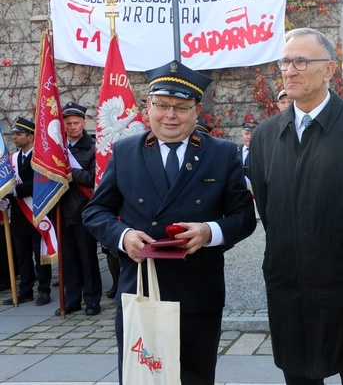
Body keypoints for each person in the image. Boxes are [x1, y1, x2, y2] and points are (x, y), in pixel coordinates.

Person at [83, 59, 256, 385]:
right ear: (147, 108)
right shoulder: (125, 152)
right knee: (140, 378)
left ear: (197, 109)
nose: (170, 115)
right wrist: (124, 236)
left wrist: (209, 232)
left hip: (197, 291)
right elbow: (95, 212)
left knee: (195, 378)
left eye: (181, 107)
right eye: (161, 105)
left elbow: (244, 217)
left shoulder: (222, 154)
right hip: (142, 288)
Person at [250, 27, 343, 385]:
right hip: (291, 294)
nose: (291, 70)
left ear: (329, 70)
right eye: (285, 61)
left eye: (302, 61)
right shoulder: (266, 136)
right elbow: (271, 213)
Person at [57, 102, 103, 316]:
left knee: (88, 259)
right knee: (69, 261)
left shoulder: (93, 147)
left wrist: (67, 170)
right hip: (61, 210)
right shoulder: (57, 148)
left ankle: (92, 300)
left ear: (84, 123)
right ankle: (72, 299)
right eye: (68, 124)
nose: (73, 127)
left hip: (84, 210)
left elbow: (94, 178)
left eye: (76, 123)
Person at [1, 117, 52, 306]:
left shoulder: (40, 157)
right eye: (14, 134)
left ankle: (44, 290)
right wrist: (4, 198)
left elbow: (41, 182)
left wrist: (15, 191)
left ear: (30, 137)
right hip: (19, 213)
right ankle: (25, 290)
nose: (14, 137)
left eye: (19, 134)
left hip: (37, 211)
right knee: (22, 255)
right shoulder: (13, 159)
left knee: (40, 255)